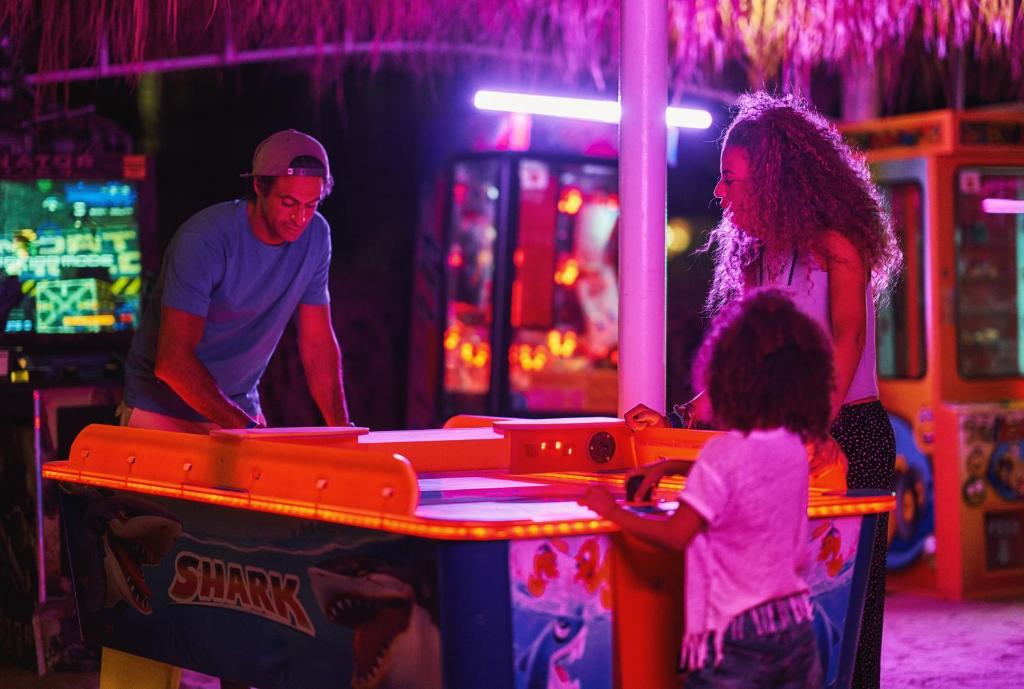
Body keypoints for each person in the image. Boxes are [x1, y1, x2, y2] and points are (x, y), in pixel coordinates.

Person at [625, 91, 901, 689]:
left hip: (849, 434)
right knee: (784, 592)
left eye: (731, 179)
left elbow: (849, 339)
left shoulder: (837, 245)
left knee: (848, 613)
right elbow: (753, 368)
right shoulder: (759, 259)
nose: (720, 192)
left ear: (777, 179)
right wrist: (686, 415)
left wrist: (813, 428)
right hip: (788, 442)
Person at [110, 129, 351, 689]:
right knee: (155, 580)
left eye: (312, 204)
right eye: (288, 202)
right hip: (159, 413)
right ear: (258, 188)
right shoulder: (205, 238)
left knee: (248, 570)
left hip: (237, 410)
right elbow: (172, 362)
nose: (299, 218)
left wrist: (343, 436)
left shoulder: (316, 237)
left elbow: (318, 344)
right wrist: (246, 432)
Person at [580, 288, 832, 688]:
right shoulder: (791, 448)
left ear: (726, 378)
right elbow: (747, 475)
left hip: (734, 637)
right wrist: (678, 466)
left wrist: (611, 511)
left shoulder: (722, 455)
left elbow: (676, 535)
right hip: (794, 624)